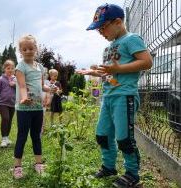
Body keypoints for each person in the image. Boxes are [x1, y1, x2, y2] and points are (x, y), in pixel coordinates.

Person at [77, 3, 152, 187]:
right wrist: (92, 72)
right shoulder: (109, 48)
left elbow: (147, 61)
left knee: (124, 138)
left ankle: (132, 174)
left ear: (118, 22)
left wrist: (119, 68)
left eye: (103, 27)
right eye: (98, 29)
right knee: (102, 134)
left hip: (124, 97)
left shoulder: (131, 39)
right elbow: (110, 73)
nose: (100, 32)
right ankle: (109, 166)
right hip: (109, 97)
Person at [13, 34, 55, 179]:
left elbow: (42, 85)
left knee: (36, 136)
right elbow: (22, 85)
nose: (28, 51)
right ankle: (17, 166)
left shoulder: (41, 67)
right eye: (24, 49)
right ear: (21, 51)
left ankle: (38, 163)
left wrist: (50, 90)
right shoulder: (20, 66)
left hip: (38, 108)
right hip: (24, 109)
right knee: (22, 136)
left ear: (36, 49)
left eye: (31, 48)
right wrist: (24, 98)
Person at [0, 60, 16, 148]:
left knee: (9, 120)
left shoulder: (16, 79)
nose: (10, 70)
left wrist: (15, 85)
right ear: (4, 69)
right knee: (5, 118)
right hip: (3, 103)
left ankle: (7, 137)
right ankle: (3, 139)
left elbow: (21, 90)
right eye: (8, 68)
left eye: (12, 68)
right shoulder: (0, 79)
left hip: (13, 104)